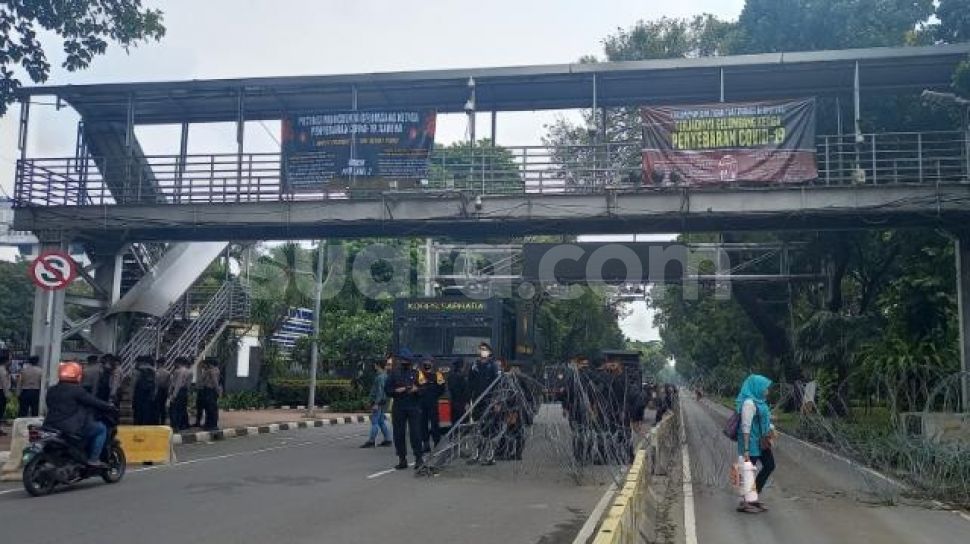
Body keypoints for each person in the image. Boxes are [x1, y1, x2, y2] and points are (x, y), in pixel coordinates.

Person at [44, 361, 118, 467]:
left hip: (50, 425)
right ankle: (94, 459)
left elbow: (50, 404)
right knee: (101, 429)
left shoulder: (51, 390)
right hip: (70, 428)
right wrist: (109, 406)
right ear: (78, 375)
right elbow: (94, 402)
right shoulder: (78, 391)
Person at [736, 374, 776, 514]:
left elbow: (763, 419)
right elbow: (745, 426)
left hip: (762, 441)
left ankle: (753, 497)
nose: (767, 390)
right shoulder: (749, 403)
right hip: (751, 442)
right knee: (748, 472)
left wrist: (770, 428)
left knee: (770, 465)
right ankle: (745, 502)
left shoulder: (760, 402)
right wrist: (746, 449)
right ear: (757, 387)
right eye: (765, 388)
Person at [385, 350, 425, 470]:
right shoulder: (394, 374)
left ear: (410, 361)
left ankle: (419, 458)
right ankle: (402, 459)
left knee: (416, 434)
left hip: (413, 406)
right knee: (399, 434)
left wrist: (416, 389)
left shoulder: (417, 373)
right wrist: (396, 391)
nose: (405, 362)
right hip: (399, 406)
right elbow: (387, 389)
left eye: (407, 360)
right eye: (403, 360)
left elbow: (424, 389)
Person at [467, 342, 501, 465]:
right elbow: (470, 384)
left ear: (489, 352)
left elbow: (498, 385)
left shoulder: (493, 366)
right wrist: (468, 401)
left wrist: (497, 401)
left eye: (485, 349)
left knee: (490, 428)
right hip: (477, 401)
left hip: (490, 401)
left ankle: (491, 455)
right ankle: (477, 453)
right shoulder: (474, 366)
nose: (482, 351)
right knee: (477, 427)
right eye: (481, 349)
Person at [360, 359, 392, 448]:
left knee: (374, 421)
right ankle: (387, 439)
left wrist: (376, 403)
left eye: (375, 365)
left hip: (378, 402)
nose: (374, 367)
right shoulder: (385, 376)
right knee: (381, 421)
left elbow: (380, 392)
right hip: (383, 402)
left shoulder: (380, 377)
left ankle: (371, 441)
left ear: (378, 365)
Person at [417, 359, 446, 452]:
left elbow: (442, 388)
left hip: (433, 403)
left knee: (435, 424)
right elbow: (418, 387)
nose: (427, 365)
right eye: (425, 363)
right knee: (423, 424)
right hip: (422, 403)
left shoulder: (438, 375)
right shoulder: (419, 374)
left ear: (432, 364)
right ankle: (426, 444)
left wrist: (435, 395)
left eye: (428, 363)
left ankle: (436, 443)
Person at [197, 357, 222, 431]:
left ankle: (212, 425)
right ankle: (209, 424)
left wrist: (218, 390)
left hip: (210, 390)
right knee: (209, 408)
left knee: (211, 408)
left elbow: (215, 382)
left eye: (208, 364)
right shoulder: (211, 370)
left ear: (211, 364)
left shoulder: (213, 371)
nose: (207, 365)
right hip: (209, 390)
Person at [168, 357, 192, 431]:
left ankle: (175, 425)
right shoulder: (188, 371)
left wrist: (173, 395)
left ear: (178, 363)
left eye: (175, 363)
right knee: (182, 408)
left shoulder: (178, 371)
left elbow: (177, 383)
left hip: (177, 391)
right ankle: (181, 424)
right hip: (184, 391)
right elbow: (188, 384)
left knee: (174, 409)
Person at [132, 355, 157, 425]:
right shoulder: (154, 371)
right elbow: (156, 385)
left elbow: (133, 385)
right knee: (147, 415)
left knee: (137, 415)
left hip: (138, 396)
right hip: (149, 398)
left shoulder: (137, 371)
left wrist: (132, 397)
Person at [447, 358, 469, 426]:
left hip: (453, 402)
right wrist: (467, 402)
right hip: (461, 404)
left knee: (453, 422)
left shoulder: (450, 377)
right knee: (461, 422)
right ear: (462, 367)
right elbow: (466, 392)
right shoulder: (463, 378)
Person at [154, 358, 171, 425]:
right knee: (163, 407)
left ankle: (156, 422)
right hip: (165, 391)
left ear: (159, 364)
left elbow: (156, 383)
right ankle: (163, 422)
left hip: (158, 390)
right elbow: (169, 383)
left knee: (157, 407)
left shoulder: (156, 372)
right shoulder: (168, 373)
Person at [0, 353, 11, 435]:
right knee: (0, 411)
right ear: (6, 361)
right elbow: (4, 384)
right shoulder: (3, 370)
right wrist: (7, 395)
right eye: (9, 360)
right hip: (1, 392)